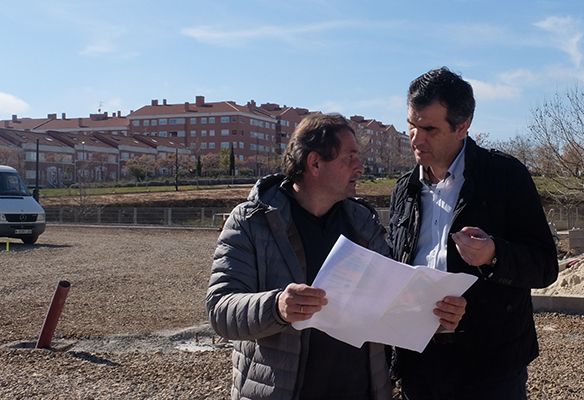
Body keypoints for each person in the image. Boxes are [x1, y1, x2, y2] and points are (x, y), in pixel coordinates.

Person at [206, 113, 464, 400]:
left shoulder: (363, 224)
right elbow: (220, 310)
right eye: (349, 157)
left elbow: (392, 300)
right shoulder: (251, 222)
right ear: (315, 163)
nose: (360, 166)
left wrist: (433, 316)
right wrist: (277, 306)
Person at [388, 67, 559, 400]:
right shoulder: (403, 191)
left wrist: (493, 254)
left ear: (462, 127)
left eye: (429, 129)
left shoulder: (505, 178)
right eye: (411, 125)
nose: (416, 139)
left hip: (490, 367)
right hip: (418, 362)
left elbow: (544, 266)